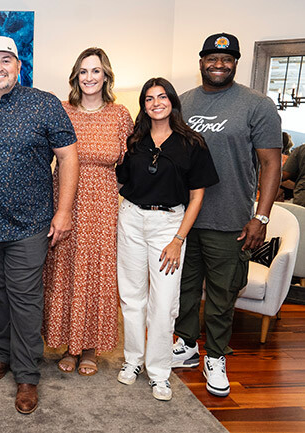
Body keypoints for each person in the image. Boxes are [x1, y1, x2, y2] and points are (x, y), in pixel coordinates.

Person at [0, 36, 79, 414]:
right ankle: (5, 356)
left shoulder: (43, 104)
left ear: (18, 66)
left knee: (25, 300)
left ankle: (27, 376)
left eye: (5, 61)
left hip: (30, 225)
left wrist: (64, 211)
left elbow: (69, 158)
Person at [172, 32, 282, 397]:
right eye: (212, 58)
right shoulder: (182, 102)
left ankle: (216, 356)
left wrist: (261, 217)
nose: (219, 64)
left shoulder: (257, 104)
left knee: (222, 295)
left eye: (227, 59)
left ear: (236, 63)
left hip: (231, 218)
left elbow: (271, 164)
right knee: (184, 291)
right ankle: (186, 346)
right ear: (201, 60)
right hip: (184, 219)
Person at [116, 77, 218, 401]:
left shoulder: (192, 143)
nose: (155, 103)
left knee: (164, 303)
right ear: (143, 105)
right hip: (131, 219)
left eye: (162, 97)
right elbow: (120, 181)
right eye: (149, 98)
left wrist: (178, 239)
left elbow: (197, 196)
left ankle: (159, 372)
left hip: (168, 225)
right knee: (132, 297)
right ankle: (133, 360)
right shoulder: (134, 140)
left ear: (172, 101)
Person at [42, 47, 133, 376]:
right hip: (64, 199)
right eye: (83, 71)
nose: (89, 77)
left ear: (106, 75)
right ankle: (68, 344)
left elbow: (130, 166)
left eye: (96, 71)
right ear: (75, 77)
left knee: (96, 275)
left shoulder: (120, 115)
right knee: (64, 271)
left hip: (103, 205)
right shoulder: (61, 110)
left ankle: (90, 347)